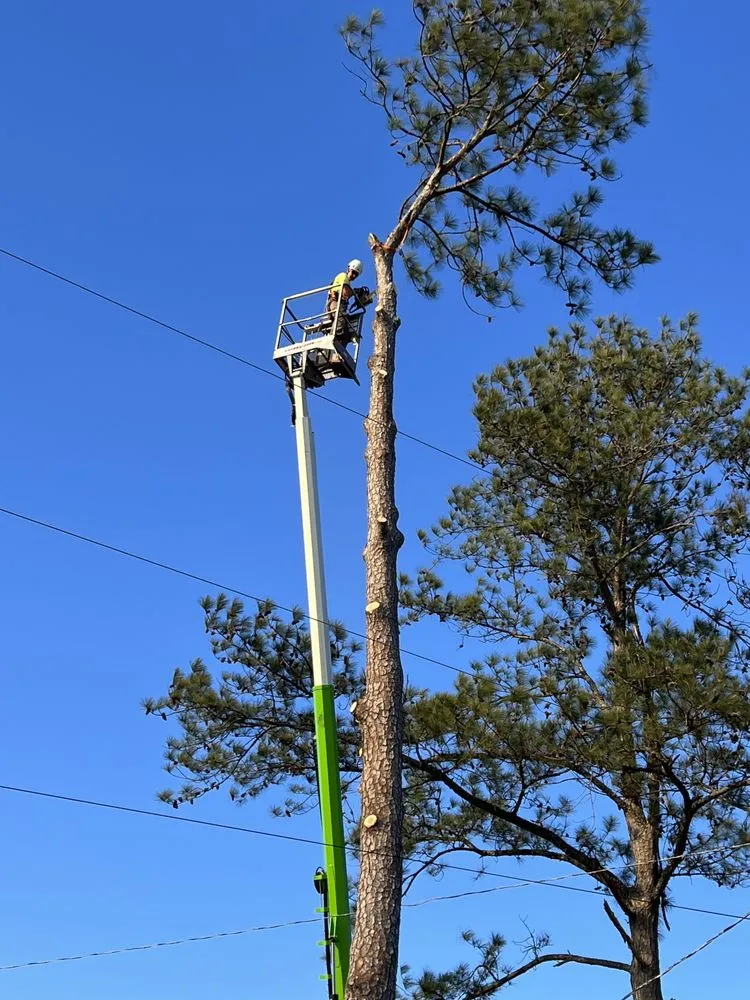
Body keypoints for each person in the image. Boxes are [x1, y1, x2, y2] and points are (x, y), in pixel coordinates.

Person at [326, 259, 372, 349]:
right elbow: (345, 293)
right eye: (353, 272)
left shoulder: (347, 282)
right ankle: (330, 347)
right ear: (348, 269)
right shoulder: (343, 276)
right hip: (335, 304)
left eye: (356, 274)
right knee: (339, 327)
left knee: (346, 333)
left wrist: (356, 293)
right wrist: (356, 291)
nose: (353, 276)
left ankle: (339, 350)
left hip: (340, 306)